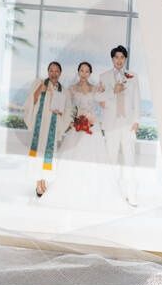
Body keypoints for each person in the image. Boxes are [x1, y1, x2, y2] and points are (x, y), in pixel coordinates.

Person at [40, 62, 127, 213]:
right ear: (78, 72)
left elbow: (104, 104)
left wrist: (109, 95)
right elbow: (65, 105)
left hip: (92, 126)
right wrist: (58, 107)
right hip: (77, 126)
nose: (84, 73)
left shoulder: (96, 88)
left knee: (93, 158)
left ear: (90, 73)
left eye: (87, 71)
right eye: (82, 70)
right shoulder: (72, 89)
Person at [98, 45, 140, 206]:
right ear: (112, 59)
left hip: (128, 124)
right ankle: (109, 194)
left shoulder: (133, 76)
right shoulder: (104, 77)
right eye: (116, 57)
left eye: (122, 57)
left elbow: (136, 99)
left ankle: (131, 195)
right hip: (111, 124)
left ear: (125, 59)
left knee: (130, 160)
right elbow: (99, 97)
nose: (119, 60)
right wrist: (109, 94)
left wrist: (136, 121)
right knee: (111, 159)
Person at [23, 61, 69, 197]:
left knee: (47, 155)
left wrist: (61, 113)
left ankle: (44, 179)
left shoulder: (63, 91)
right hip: (40, 125)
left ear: (60, 73)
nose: (54, 73)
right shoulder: (39, 83)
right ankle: (38, 182)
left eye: (56, 71)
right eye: (51, 70)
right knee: (38, 153)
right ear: (48, 71)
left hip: (52, 128)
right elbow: (31, 101)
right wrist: (40, 90)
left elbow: (66, 111)